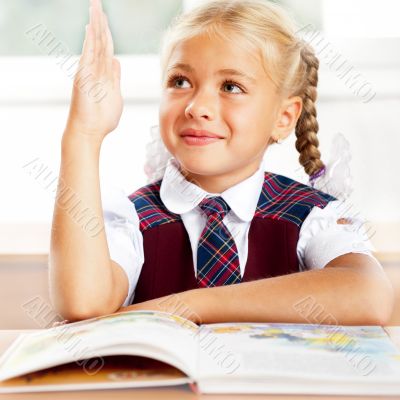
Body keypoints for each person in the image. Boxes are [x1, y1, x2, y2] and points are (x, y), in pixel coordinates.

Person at [49, 0, 394, 326]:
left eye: (230, 86)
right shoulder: (132, 218)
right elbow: (83, 304)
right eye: (180, 82)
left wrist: (183, 307)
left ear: (284, 117)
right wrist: (83, 135)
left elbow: (369, 295)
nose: (197, 106)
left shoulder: (311, 214)